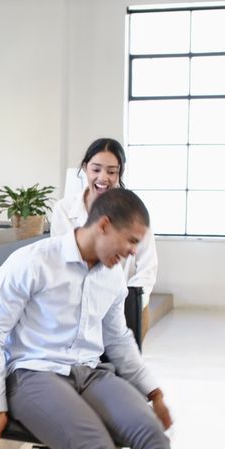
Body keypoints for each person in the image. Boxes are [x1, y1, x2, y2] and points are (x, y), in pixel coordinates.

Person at [0, 189, 205, 449]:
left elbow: (118, 340)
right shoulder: (33, 262)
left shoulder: (112, 276)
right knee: (95, 446)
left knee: (151, 435)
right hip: (34, 375)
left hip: (89, 373)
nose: (133, 251)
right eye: (131, 240)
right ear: (103, 225)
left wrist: (153, 393)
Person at [50, 138, 158, 336]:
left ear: (119, 173)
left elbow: (147, 269)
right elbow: (58, 260)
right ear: (85, 168)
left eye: (111, 171)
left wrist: (127, 303)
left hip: (124, 308)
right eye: (96, 169)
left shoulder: (135, 211)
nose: (103, 178)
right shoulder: (64, 210)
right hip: (75, 308)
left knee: (124, 362)